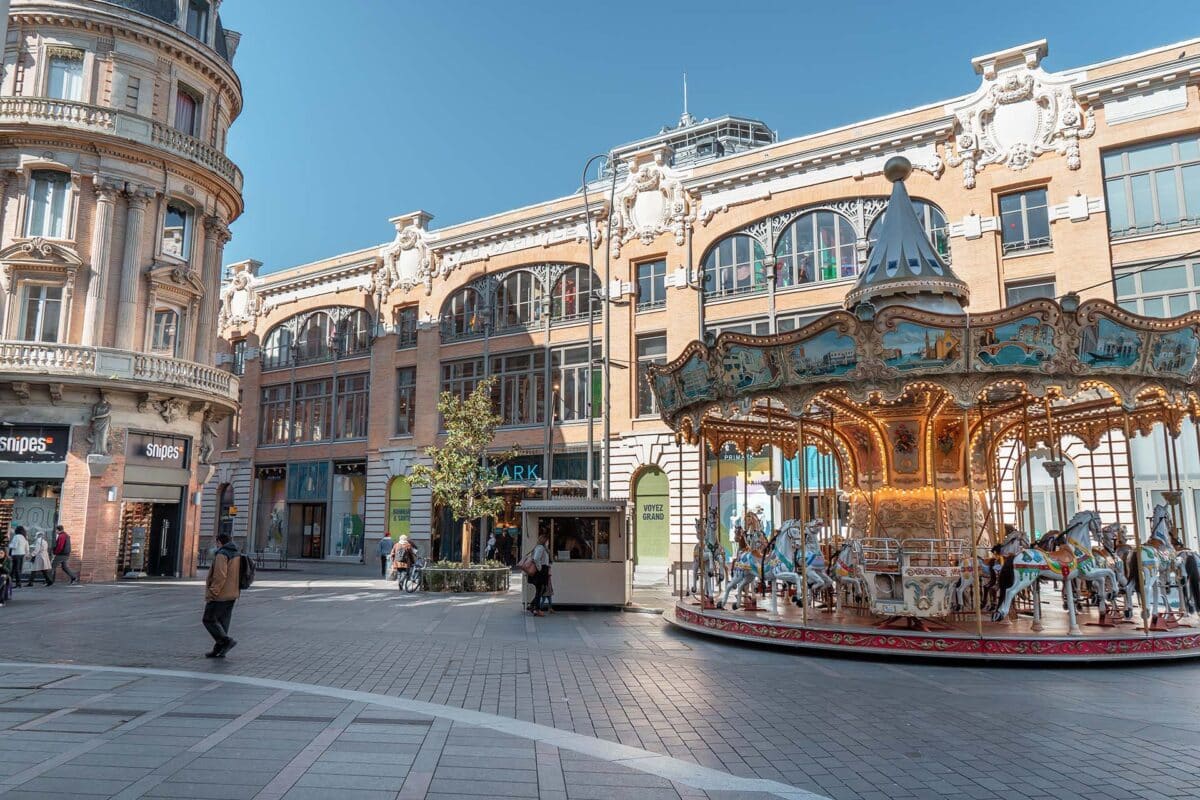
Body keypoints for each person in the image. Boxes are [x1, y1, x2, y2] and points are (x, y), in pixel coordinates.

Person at [202, 531, 241, 658]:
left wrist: (213, 592)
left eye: (216, 542)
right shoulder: (236, 553)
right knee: (222, 623)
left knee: (208, 619)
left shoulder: (222, 554)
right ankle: (219, 649)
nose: (216, 545)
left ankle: (226, 641)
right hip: (233, 593)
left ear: (220, 542)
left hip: (221, 595)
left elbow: (220, 576)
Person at [528, 531, 551, 617]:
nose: (548, 542)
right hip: (541, 571)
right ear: (544, 540)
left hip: (542, 570)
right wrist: (540, 568)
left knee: (541, 589)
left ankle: (533, 606)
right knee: (540, 590)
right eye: (547, 540)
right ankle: (536, 609)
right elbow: (536, 558)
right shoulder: (540, 548)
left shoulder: (541, 548)